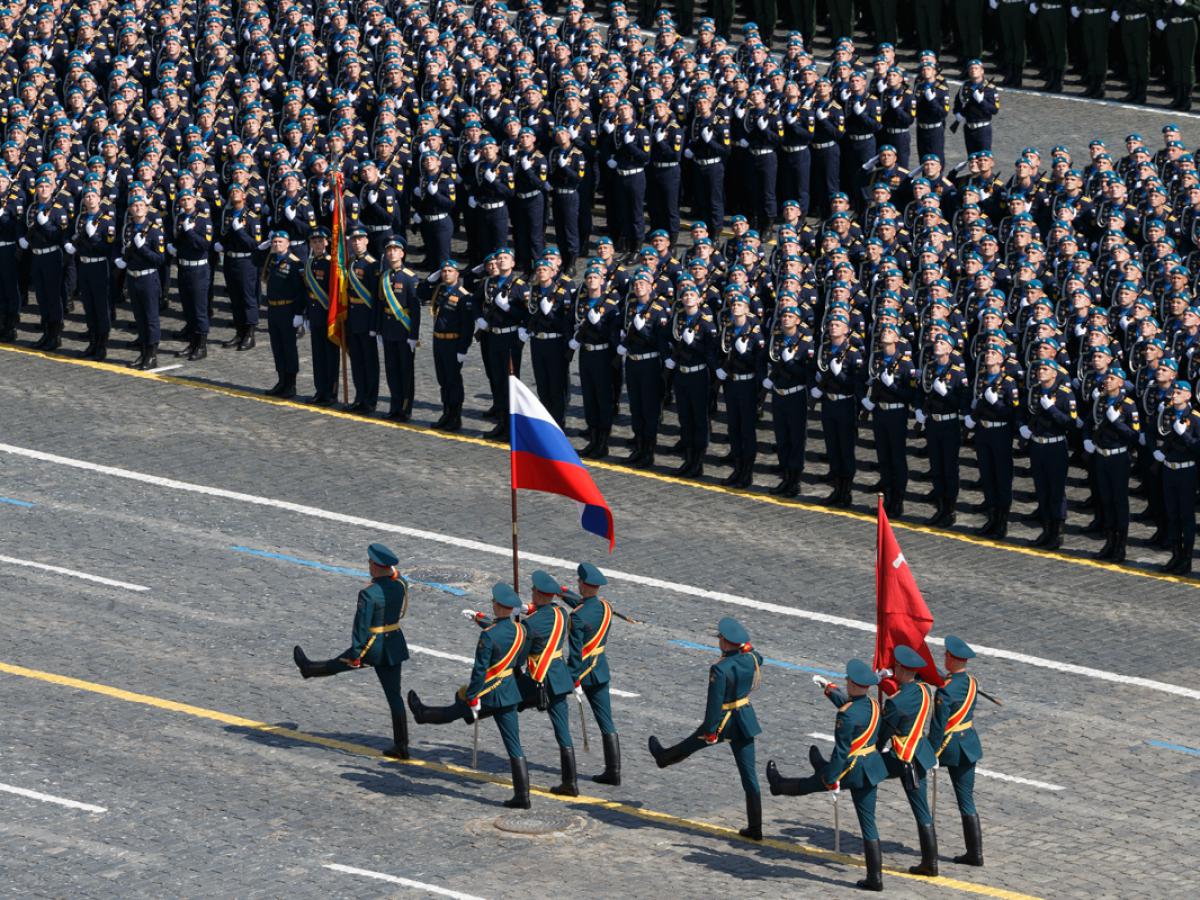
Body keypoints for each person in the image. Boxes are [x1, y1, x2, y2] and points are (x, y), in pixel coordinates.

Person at [766, 659, 887, 891]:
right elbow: (852, 707)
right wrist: (829, 689)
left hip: (851, 769)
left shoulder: (846, 715)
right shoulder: (873, 705)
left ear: (853, 684)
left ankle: (779, 785)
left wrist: (831, 780)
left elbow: (841, 751)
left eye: (848, 681)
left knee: (813, 783)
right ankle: (875, 878)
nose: (846, 683)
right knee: (869, 823)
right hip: (870, 768)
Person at [407, 583, 532, 809]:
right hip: (509, 693)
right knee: (515, 746)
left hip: (488, 694)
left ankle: (422, 714)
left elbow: (479, 670)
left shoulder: (488, 636)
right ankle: (523, 796)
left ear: (498, 606)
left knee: (455, 710)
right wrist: (478, 618)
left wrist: (473, 696)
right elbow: (518, 656)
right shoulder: (521, 630)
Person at [649, 617, 764, 841]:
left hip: (723, 721)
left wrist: (711, 731)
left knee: (692, 743)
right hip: (744, 720)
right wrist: (745, 647)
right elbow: (758, 656)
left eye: (720, 638)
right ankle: (755, 827)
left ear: (725, 642)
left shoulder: (720, 669)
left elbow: (714, 704)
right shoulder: (751, 659)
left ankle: (664, 757)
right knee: (750, 776)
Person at [292, 543, 411, 759]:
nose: (368, 566)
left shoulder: (369, 594)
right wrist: (391, 571)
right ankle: (401, 745)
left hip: (372, 646)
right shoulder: (400, 585)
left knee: (340, 663)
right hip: (393, 645)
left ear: (375, 566)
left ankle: (309, 669)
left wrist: (356, 655)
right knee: (395, 697)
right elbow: (399, 576)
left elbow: (361, 627)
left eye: (370, 563)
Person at [511, 570, 579, 796]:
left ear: (539, 594)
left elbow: (520, 655)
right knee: (563, 731)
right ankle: (570, 782)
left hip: (539, 680)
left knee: (501, 704)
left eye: (533, 590)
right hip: (559, 678)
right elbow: (545, 613)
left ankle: (456, 712)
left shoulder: (531, 625)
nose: (531, 592)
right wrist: (525, 609)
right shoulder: (561, 613)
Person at [876, 645, 940, 877]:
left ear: (902, 669)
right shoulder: (924, 690)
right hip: (920, 753)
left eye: (896, 667)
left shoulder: (896, 702)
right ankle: (930, 862)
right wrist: (888, 676)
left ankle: (930, 864)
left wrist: (873, 751)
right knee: (922, 810)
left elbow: (883, 734)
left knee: (860, 773)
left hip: (903, 757)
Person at [560, 562, 621, 785]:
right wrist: (562, 593)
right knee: (606, 721)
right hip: (600, 670)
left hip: (583, 673)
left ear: (583, 585)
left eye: (579, 582)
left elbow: (575, 654)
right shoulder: (606, 607)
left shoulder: (576, 617)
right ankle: (614, 771)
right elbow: (585, 606)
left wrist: (574, 679)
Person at [928, 635, 985, 868]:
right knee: (966, 800)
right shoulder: (972, 682)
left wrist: (930, 754)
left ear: (950, 658)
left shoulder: (945, 691)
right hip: (968, 744)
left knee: (914, 777)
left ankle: (927, 845)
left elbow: (938, 727)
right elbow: (952, 683)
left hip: (948, 747)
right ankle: (975, 853)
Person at [1082, 366, 1140, 562]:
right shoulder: (1100, 400)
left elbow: (1134, 436)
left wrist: (1117, 423)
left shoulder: (1129, 405)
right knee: (1105, 499)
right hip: (1101, 455)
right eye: (1107, 378)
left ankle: (1120, 546)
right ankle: (1109, 541)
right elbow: (1089, 423)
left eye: (1112, 378)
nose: (1107, 381)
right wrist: (1087, 440)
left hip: (1118, 458)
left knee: (1119, 501)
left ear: (1121, 382)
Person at [1151, 379, 1200, 573]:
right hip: (1168, 469)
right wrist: (1155, 451)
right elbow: (1150, 432)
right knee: (1171, 515)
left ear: (1188, 396)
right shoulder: (1166, 412)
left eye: (1180, 392)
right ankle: (1175, 555)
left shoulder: (1195, 418)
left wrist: (1184, 435)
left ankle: (1186, 559)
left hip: (1187, 472)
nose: (1175, 394)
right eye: (1174, 391)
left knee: (1186, 516)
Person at [424, 260, 474, 432]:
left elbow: (467, 326)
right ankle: (446, 413)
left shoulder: (463, 295)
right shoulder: (440, 290)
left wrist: (463, 348)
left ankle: (455, 416)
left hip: (453, 343)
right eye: (444, 271)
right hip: (438, 341)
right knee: (443, 380)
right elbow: (421, 293)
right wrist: (430, 280)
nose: (446, 274)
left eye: (450, 271)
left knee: (453, 381)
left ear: (457, 274)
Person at [377, 237, 421, 422]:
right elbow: (380, 305)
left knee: (405, 371)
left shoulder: (410, 278)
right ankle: (394, 406)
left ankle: (405, 408)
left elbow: (416, 310)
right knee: (391, 370)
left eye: (396, 250)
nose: (392, 253)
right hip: (388, 330)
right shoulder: (384, 276)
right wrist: (379, 329)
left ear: (402, 253)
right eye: (389, 250)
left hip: (404, 331)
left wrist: (413, 335)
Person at [261, 231, 305, 399]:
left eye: (280, 241)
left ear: (288, 243)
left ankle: (291, 384)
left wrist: (298, 313)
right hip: (273, 309)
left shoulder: (295, 263)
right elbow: (255, 261)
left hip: (287, 309)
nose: (277, 244)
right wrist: (261, 248)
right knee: (277, 347)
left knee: (288, 348)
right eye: (274, 242)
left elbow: (300, 291)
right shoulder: (272, 259)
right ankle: (281, 381)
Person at [344, 227, 381, 414]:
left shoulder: (373, 265)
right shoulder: (350, 262)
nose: (357, 242)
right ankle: (359, 397)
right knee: (357, 361)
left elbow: (376, 299)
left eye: (360, 239)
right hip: (353, 318)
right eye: (354, 239)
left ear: (366, 240)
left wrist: (375, 325)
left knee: (369, 362)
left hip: (367, 320)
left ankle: (370, 400)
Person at [302, 229, 340, 406]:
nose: (317, 245)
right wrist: (306, 315)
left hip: (328, 316)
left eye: (320, 241)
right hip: (315, 315)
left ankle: (331, 393)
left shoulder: (331, 264)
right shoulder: (309, 263)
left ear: (326, 242)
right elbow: (307, 292)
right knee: (317, 356)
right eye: (314, 242)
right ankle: (320, 390)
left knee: (330, 356)